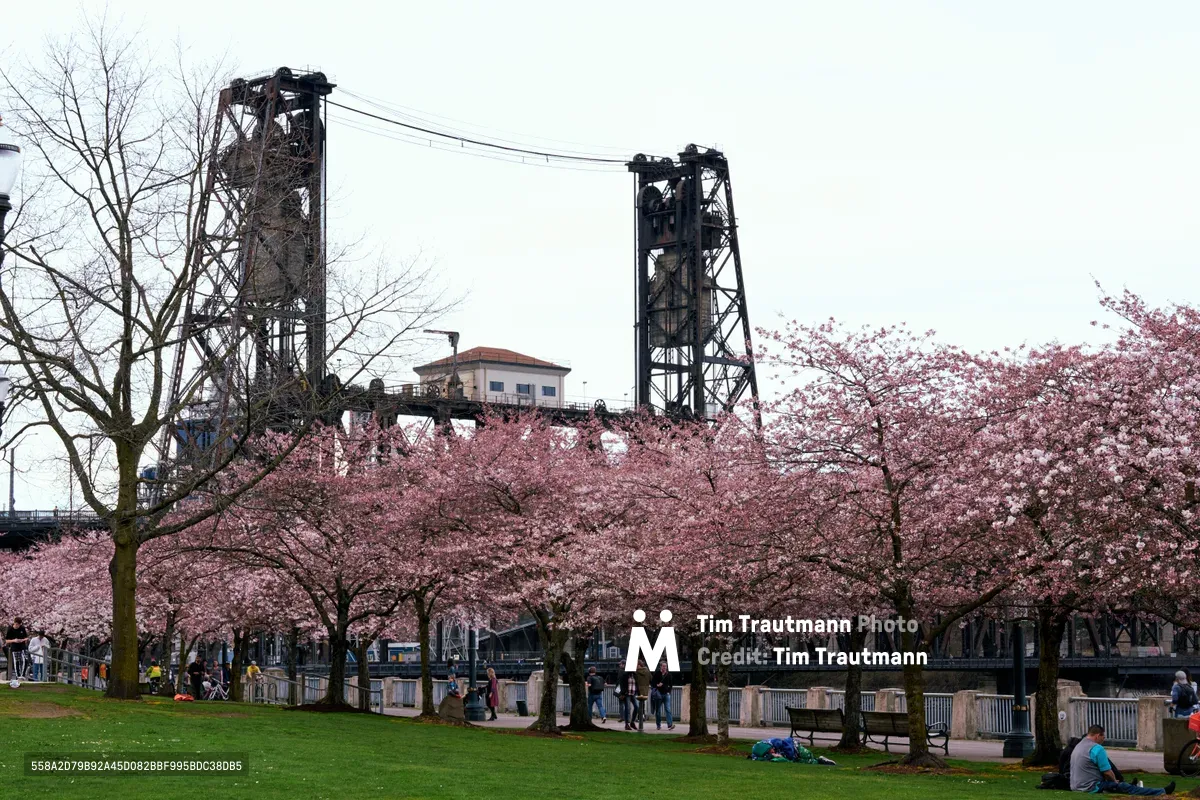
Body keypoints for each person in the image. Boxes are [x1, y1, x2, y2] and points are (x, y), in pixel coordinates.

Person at [1070, 725, 1174, 795]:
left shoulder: (1078, 746)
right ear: (1098, 736)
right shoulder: (1096, 748)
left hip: (1076, 786)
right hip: (1091, 787)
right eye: (1103, 737)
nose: (1103, 740)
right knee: (1124, 787)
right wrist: (1115, 781)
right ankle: (1161, 791)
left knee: (1121, 785)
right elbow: (1107, 772)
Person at [653, 659, 675, 731]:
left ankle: (670, 724)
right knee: (658, 710)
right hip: (658, 694)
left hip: (666, 694)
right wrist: (657, 685)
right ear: (660, 667)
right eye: (663, 666)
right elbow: (653, 683)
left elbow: (671, 685)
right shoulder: (657, 674)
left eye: (665, 666)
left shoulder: (669, 675)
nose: (665, 667)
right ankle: (658, 725)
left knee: (668, 709)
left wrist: (669, 691)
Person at [617, 666, 639, 731]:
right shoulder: (625, 675)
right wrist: (623, 693)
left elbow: (636, 684)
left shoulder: (634, 675)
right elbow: (621, 684)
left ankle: (632, 722)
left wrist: (638, 692)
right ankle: (627, 724)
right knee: (627, 708)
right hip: (626, 694)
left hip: (633, 693)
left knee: (636, 707)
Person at [635, 658, 651, 730]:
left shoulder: (636, 672)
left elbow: (635, 680)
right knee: (643, 704)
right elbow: (651, 678)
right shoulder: (647, 671)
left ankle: (639, 717)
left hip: (638, 689)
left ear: (638, 665)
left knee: (637, 704)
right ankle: (643, 716)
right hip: (645, 689)